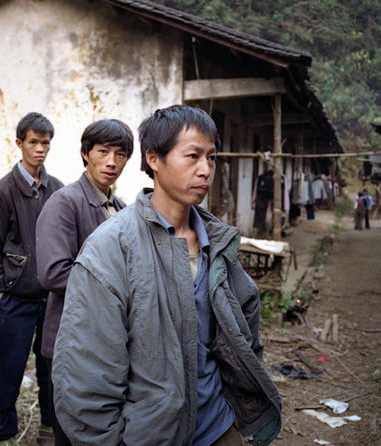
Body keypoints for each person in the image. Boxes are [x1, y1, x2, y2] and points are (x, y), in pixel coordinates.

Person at [52, 105, 282, 446]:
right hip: (150, 436)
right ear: (154, 159)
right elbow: (87, 378)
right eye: (192, 156)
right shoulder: (110, 249)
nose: (205, 170)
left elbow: (244, 336)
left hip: (218, 425)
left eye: (212, 157)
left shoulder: (217, 242)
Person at [36, 119, 134, 446]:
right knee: (72, 433)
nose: (111, 162)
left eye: (120, 154)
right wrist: (116, 289)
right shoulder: (65, 202)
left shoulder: (119, 208)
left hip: (106, 342)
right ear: (85, 154)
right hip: (71, 340)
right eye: (103, 151)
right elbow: (53, 272)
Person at [0, 112, 63, 446]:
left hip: (51, 300)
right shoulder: (2, 191)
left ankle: (48, 428)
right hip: (14, 301)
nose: (40, 149)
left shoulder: (57, 189)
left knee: (51, 371)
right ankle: (6, 434)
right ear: (19, 144)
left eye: (46, 143)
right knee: (8, 372)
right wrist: (0, 293)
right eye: (33, 142)